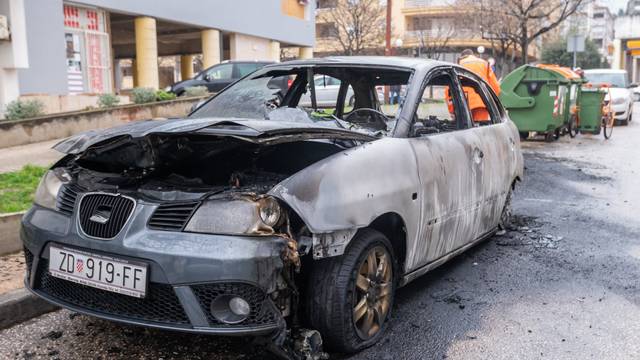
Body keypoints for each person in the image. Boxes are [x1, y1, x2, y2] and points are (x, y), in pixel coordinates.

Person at [457, 49, 501, 122]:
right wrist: (493, 102)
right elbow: (495, 87)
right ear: (473, 55)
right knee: (480, 129)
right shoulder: (484, 63)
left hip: (463, 104)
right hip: (482, 101)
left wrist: (452, 109)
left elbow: (449, 90)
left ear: (462, 57)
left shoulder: (459, 65)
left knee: (465, 130)